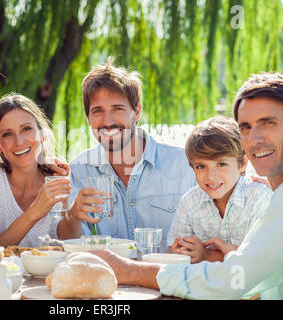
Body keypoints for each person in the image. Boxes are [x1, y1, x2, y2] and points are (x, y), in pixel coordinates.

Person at [91, 72, 283, 300]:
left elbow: (235, 279)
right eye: (245, 127)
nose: (254, 139)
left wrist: (129, 270)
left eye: (269, 123)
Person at [57, 58, 196, 245]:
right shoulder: (80, 170)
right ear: (88, 118)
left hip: (166, 274)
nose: (107, 121)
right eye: (97, 111)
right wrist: (73, 215)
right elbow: (67, 242)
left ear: (137, 112)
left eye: (118, 109)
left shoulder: (183, 165)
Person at [0, 94, 71, 248]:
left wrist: (73, 213)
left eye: (26, 129)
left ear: (42, 135)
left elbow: (70, 244)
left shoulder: (57, 179)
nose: (19, 142)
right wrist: (34, 212)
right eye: (7, 134)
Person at [166, 116, 272, 263]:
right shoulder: (190, 201)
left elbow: (261, 259)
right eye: (201, 166)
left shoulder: (258, 197)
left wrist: (206, 256)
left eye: (221, 164)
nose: (211, 176)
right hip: (200, 284)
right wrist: (180, 250)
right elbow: (172, 251)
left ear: (242, 163)